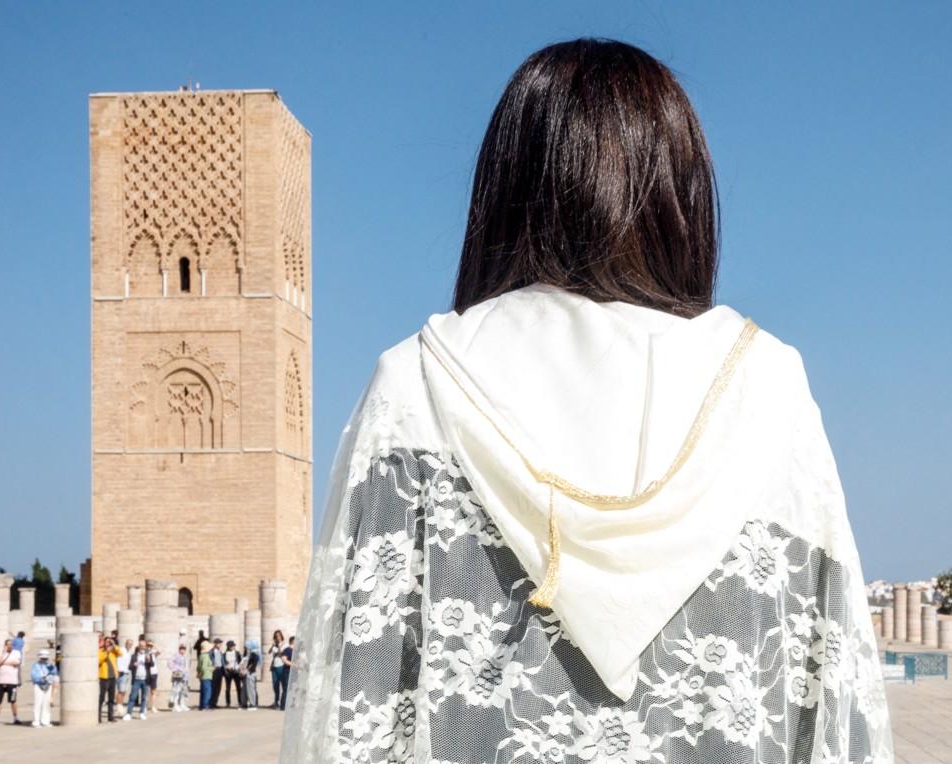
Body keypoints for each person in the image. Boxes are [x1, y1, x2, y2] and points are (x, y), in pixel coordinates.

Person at [277, 39, 892, 763]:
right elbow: (831, 713)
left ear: (503, 191)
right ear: (681, 193)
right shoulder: (768, 388)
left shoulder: (418, 384)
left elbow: (355, 713)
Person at [0, 638, 22, 725]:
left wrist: (4, 663)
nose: (10, 646)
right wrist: (3, 653)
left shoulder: (17, 653)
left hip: (12, 681)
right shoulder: (0, 652)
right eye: (8, 644)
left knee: (13, 700)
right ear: (5, 645)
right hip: (0, 680)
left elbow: (16, 663)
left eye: (11, 644)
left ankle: (15, 717)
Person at [122, 641, 154, 720]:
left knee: (144, 697)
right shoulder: (134, 656)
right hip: (136, 679)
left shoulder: (148, 655)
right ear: (138, 647)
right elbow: (129, 667)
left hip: (145, 680)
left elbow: (152, 665)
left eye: (144, 646)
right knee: (133, 697)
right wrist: (133, 665)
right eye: (141, 646)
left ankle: (142, 713)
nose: (143, 647)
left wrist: (149, 660)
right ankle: (129, 713)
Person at [28, 649, 58, 728]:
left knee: (46, 704)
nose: (44, 659)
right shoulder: (35, 665)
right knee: (38, 703)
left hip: (48, 685)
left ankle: (45, 721)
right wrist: (42, 679)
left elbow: (54, 673)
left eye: (45, 658)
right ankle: (36, 721)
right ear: (39, 657)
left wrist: (52, 668)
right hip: (38, 685)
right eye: (43, 658)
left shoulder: (50, 665)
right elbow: (34, 676)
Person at [97, 636, 122, 723]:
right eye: (107, 641)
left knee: (111, 699)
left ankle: (110, 717)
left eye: (109, 642)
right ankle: (98, 717)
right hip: (104, 677)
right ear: (104, 642)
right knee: (102, 698)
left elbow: (120, 653)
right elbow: (98, 660)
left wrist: (114, 645)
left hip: (112, 677)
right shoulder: (100, 651)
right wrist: (106, 652)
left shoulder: (113, 652)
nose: (108, 643)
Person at [268, 630, 288, 710]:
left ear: (281, 636)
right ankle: (276, 701)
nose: (278, 637)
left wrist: (279, 647)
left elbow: (282, 654)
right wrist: (272, 646)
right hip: (274, 666)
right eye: (276, 636)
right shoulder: (274, 645)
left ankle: (283, 701)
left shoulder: (285, 644)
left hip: (282, 666)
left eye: (279, 636)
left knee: (283, 685)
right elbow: (269, 652)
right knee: (275, 684)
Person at [114, 638, 135, 714]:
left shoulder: (129, 652)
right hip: (121, 672)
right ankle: (118, 706)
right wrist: (119, 671)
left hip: (127, 673)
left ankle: (120, 705)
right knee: (121, 690)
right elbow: (118, 660)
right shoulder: (121, 650)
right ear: (125, 643)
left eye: (131, 644)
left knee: (124, 691)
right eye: (128, 644)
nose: (129, 645)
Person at [168, 644, 189, 712]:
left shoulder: (185, 657)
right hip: (177, 675)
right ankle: (175, 705)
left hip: (184, 676)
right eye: (181, 648)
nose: (182, 650)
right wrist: (176, 669)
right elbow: (170, 663)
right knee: (176, 690)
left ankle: (182, 704)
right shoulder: (175, 655)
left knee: (183, 690)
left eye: (184, 649)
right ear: (179, 649)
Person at [241, 639, 261, 710]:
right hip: (248, 673)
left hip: (250, 673)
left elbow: (253, 665)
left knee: (251, 689)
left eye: (247, 646)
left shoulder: (254, 654)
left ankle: (253, 704)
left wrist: (247, 670)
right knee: (246, 689)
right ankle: (245, 704)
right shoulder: (251, 654)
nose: (246, 647)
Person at [221, 639, 241, 708]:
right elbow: (223, 663)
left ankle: (240, 701)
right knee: (227, 688)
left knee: (238, 688)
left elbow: (240, 662)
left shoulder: (237, 653)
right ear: (228, 646)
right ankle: (228, 702)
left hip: (236, 672)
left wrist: (238, 668)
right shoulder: (224, 654)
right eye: (231, 646)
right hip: (228, 672)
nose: (232, 647)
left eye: (233, 646)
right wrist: (226, 667)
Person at [197, 640, 215, 710]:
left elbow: (198, 667)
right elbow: (204, 667)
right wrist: (212, 668)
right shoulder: (206, 656)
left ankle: (202, 706)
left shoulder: (201, 655)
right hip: (207, 675)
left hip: (202, 676)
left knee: (203, 691)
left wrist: (199, 673)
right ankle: (205, 706)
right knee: (208, 691)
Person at [144, 639, 160, 714]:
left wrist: (153, 646)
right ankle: (144, 706)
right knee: (146, 690)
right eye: (148, 645)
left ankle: (153, 707)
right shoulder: (144, 653)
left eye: (150, 645)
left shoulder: (153, 652)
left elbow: (159, 652)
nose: (149, 647)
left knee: (153, 690)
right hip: (147, 673)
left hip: (154, 673)